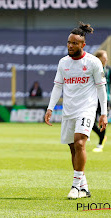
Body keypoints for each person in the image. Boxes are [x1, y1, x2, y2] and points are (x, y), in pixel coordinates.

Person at [44, 22, 108, 199]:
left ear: (83, 45)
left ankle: (74, 186)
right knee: (73, 149)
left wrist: (104, 113)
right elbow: (57, 87)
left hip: (86, 109)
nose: (70, 46)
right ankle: (84, 188)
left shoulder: (93, 62)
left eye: (74, 43)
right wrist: (50, 108)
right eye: (69, 42)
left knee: (80, 143)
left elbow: (101, 88)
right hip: (68, 111)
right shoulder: (63, 63)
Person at [92, 50, 110, 152]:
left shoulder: (108, 70)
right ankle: (101, 136)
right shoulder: (93, 70)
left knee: (103, 120)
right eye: (104, 57)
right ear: (98, 58)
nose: (106, 59)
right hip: (94, 99)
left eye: (106, 57)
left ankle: (100, 144)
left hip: (106, 99)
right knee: (90, 122)